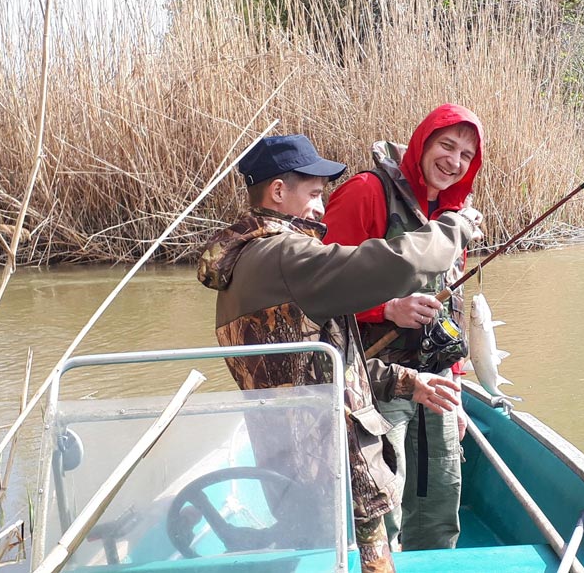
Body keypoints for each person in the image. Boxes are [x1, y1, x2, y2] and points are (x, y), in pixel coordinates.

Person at [196, 134, 482, 572]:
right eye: (312, 194)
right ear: (278, 192)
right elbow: (393, 263)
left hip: (289, 469)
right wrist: (455, 227)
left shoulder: (242, 268)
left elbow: (315, 366)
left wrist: (408, 381)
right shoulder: (282, 256)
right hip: (328, 470)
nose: (320, 207)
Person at [322, 104, 484, 551]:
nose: (454, 162)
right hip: (376, 381)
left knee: (441, 500)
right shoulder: (365, 193)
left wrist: (457, 388)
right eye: (446, 146)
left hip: (437, 384)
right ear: (421, 144)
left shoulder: (456, 216)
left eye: (466, 156)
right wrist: (387, 308)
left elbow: (450, 306)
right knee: (381, 509)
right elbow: (320, 288)